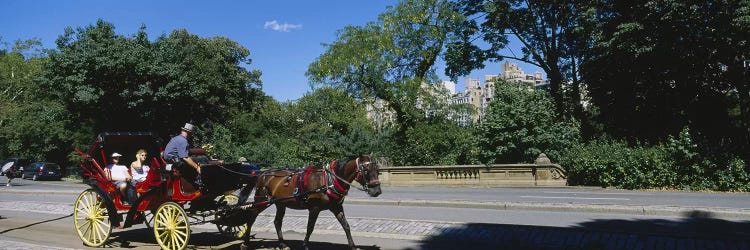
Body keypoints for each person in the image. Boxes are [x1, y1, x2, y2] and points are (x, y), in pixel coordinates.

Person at [163, 123, 202, 188]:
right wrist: (197, 167)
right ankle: (198, 181)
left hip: (170, 161)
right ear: (189, 133)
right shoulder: (183, 141)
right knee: (202, 159)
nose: (191, 135)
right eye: (191, 133)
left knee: (196, 159)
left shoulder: (176, 138)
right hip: (176, 162)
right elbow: (185, 158)